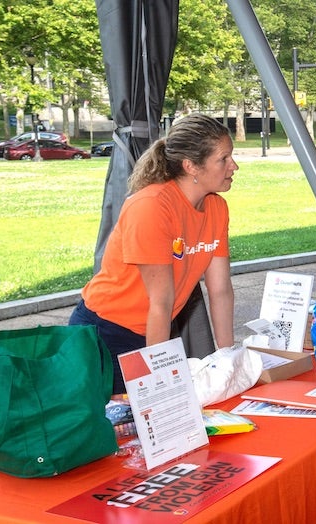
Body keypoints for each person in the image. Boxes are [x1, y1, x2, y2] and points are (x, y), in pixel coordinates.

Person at [70, 114, 238, 394]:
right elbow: (160, 302)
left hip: (152, 331)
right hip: (105, 334)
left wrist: (228, 358)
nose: (234, 166)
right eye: (224, 159)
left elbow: (220, 291)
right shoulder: (152, 206)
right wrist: (159, 381)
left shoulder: (217, 209)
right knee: (125, 428)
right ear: (191, 166)